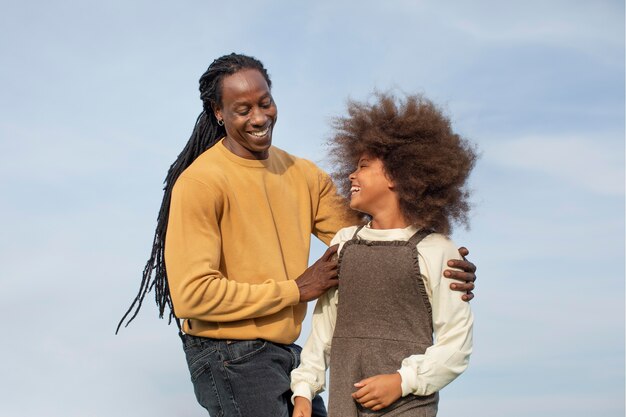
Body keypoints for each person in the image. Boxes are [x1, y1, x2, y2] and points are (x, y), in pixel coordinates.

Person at [117, 53, 477, 417]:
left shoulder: (302, 174)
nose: (259, 117)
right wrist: (296, 289)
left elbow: (372, 241)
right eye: (242, 109)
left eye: (265, 103)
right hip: (227, 352)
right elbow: (193, 296)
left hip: (286, 354)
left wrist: (438, 260)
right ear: (218, 112)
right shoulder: (201, 182)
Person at [291, 92, 477, 417]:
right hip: (343, 405)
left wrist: (402, 381)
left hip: (408, 405)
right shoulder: (345, 243)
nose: (351, 175)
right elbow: (323, 329)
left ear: (396, 174)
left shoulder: (437, 250)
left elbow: (456, 346)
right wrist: (304, 391)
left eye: (363, 166)